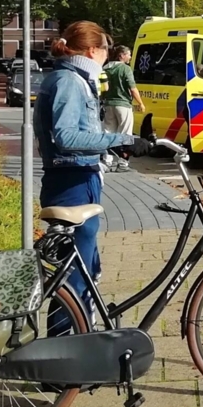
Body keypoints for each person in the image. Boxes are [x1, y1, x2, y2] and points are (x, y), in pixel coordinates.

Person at [34, 21, 152, 320]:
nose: (107, 57)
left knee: (85, 267)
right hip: (71, 180)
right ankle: (66, 346)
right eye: (105, 51)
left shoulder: (71, 78)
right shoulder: (69, 82)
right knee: (74, 275)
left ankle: (80, 333)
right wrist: (123, 140)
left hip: (75, 176)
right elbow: (67, 137)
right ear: (91, 50)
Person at [102, 45, 146, 171]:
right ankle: (122, 162)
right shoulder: (125, 69)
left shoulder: (105, 68)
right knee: (125, 134)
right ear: (121, 55)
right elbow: (132, 88)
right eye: (128, 54)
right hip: (123, 104)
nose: (130, 57)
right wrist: (140, 103)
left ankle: (107, 161)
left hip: (108, 104)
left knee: (108, 133)